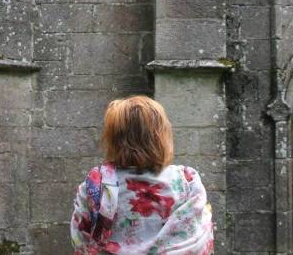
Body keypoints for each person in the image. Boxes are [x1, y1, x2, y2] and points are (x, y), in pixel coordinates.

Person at [71, 95, 214, 254]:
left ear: (113, 138)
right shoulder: (187, 181)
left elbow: (81, 242)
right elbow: (201, 241)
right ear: (161, 134)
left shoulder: (96, 184)